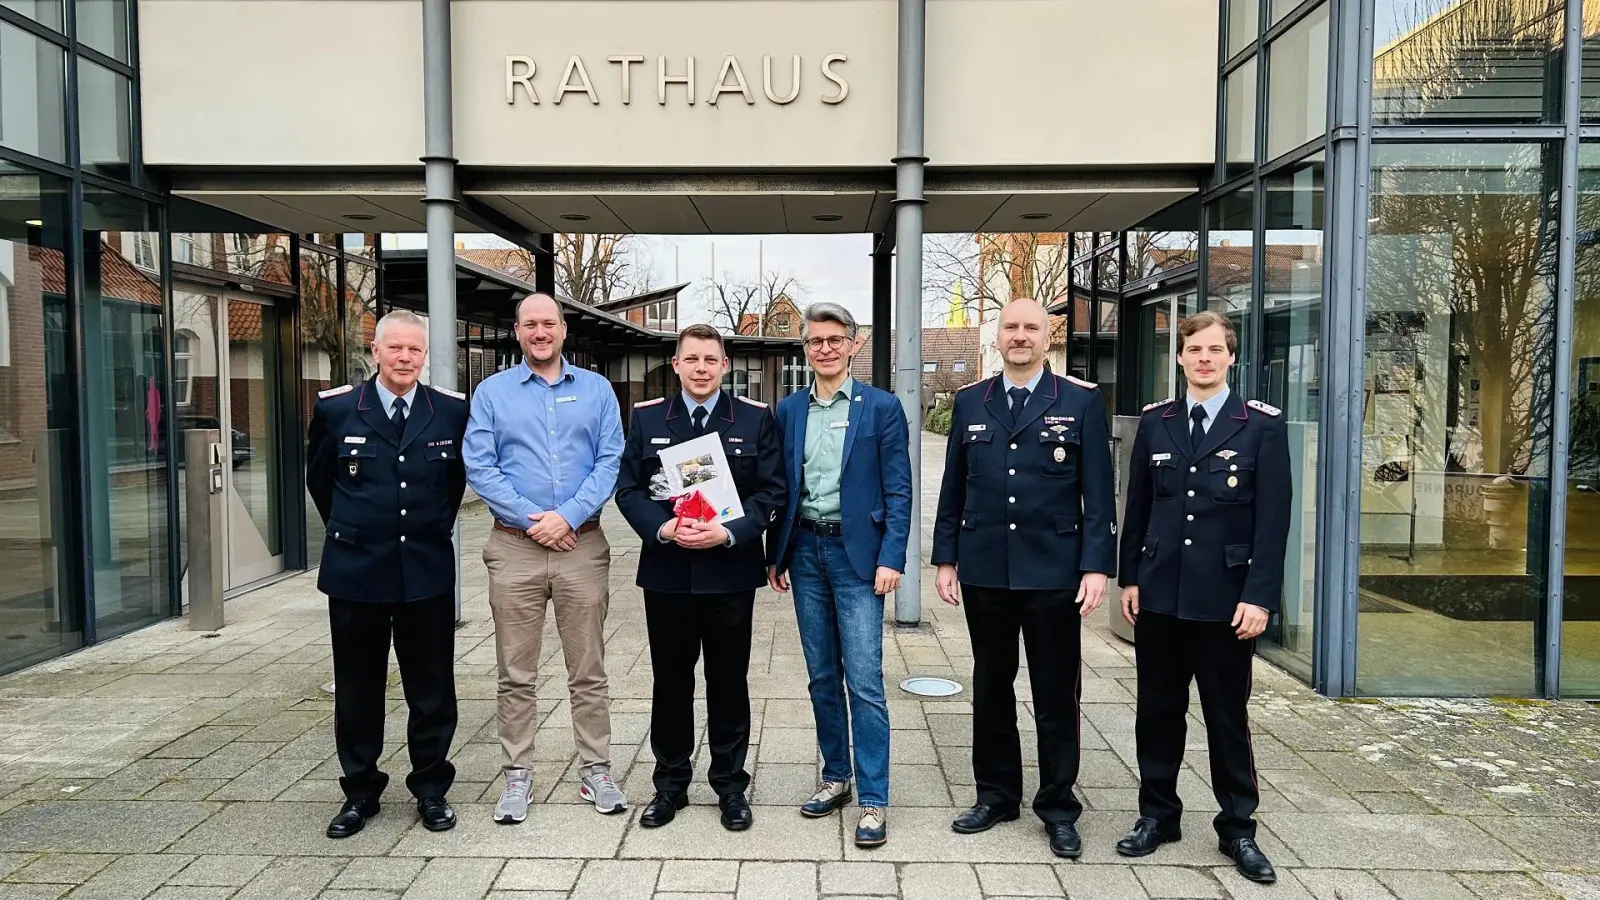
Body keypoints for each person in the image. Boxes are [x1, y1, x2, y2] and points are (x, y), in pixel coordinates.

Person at [930, 297, 1116, 859]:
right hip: (986, 567)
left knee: (1055, 692)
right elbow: (953, 486)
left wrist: (1096, 565)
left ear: (1046, 336)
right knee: (990, 686)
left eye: (1030, 328)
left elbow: (1098, 492)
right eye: (1011, 327)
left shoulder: (1080, 401)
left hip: (1053, 571)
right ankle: (996, 794)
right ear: (998, 337)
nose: (1020, 336)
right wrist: (945, 558)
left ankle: (1058, 805)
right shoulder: (971, 401)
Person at [1114, 310, 1289, 885]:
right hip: (1161, 596)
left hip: (1225, 603)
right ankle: (1157, 816)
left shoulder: (1260, 425)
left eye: (1216, 350)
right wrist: (1130, 577)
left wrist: (1259, 596)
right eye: (1195, 351)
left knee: (1226, 719)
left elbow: (1272, 523)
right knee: (1157, 715)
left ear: (1231, 357)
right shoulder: (1158, 422)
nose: (1205, 359)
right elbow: (1137, 507)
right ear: (1181, 358)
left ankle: (1238, 827)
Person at [462, 292, 627, 824]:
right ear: (518, 332)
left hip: (582, 545)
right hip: (515, 547)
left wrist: (569, 516)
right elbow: (481, 467)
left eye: (548, 323)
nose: (540, 332)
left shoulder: (598, 390)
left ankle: (596, 770)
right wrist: (538, 519)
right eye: (530, 324)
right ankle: (517, 775)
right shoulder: (491, 393)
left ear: (563, 330)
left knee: (589, 669)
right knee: (515, 671)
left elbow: (610, 461)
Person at [614, 323, 785, 832]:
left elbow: (772, 492)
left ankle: (731, 786)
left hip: (729, 572)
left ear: (725, 365)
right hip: (667, 572)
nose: (702, 368)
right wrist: (662, 526)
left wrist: (728, 533)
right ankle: (670, 784)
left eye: (711, 360)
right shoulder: (647, 420)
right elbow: (628, 490)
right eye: (692, 359)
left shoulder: (754, 420)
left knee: (729, 681)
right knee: (670, 681)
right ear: (676, 365)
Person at [306, 309, 468, 839]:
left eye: (414, 350)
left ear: (424, 356)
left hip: (424, 571)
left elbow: (452, 488)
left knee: (432, 689)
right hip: (357, 572)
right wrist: (359, 532)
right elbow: (322, 483)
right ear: (374, 351)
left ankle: (430, 789)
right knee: (358, 688)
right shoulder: (336, 410)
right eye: (394, 348)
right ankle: (360, 793)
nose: (404, 358)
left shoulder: (447, 411)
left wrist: (421, 532)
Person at [765, 302, 911, 849]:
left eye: (834, 339)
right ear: (805, 348)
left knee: (865, 683)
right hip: (804, 552)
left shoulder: (882, 408)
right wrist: (774, 554)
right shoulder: (790, 411)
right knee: (821, 675)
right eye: (814, 341)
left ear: (853, 344)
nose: (824, 348)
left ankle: (874, 798)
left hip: (858, 560)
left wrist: (892, 557)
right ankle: (836, 777)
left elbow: (899, 487)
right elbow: (783, 486)